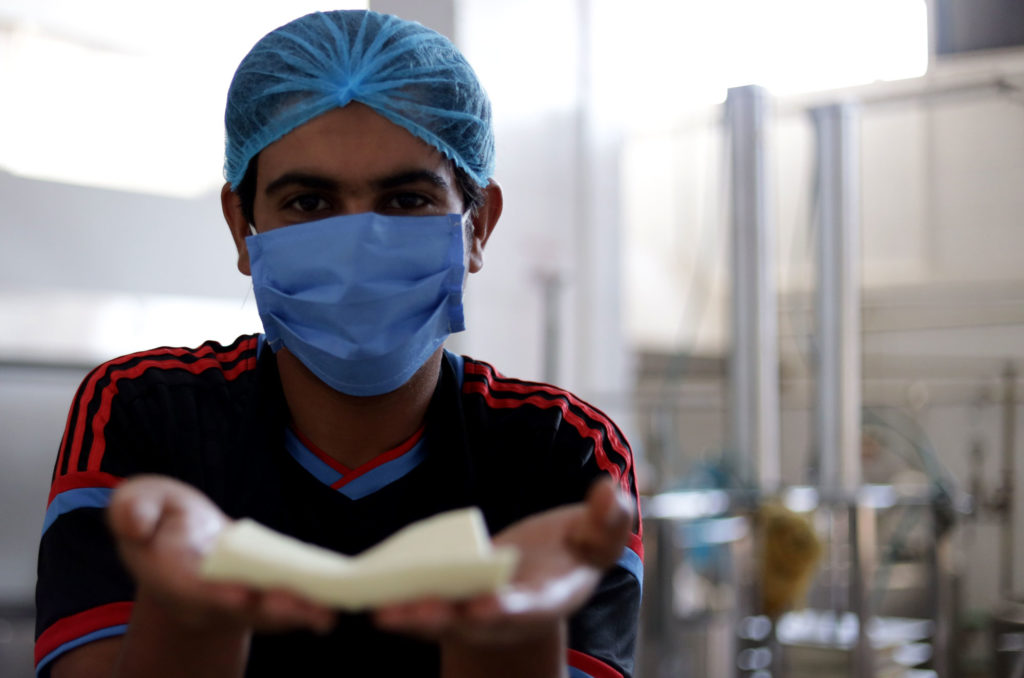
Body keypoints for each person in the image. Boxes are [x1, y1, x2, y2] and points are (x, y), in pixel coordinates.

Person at [35, 9, 643, 678]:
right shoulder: (147, 417)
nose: (358, 243)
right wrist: (191, 619)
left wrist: (510, 643)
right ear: (242, 226)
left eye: (407, 200)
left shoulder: (563, 453)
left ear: (478, 228)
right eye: (308, 203)